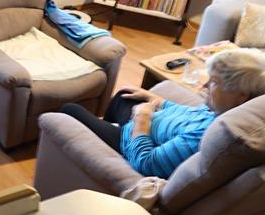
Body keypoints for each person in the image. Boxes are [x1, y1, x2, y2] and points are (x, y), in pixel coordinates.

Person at [60, 48, 265, 179]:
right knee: (125, 95)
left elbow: (146, 164)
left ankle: (108, 144)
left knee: (70, 110)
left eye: (214, 82)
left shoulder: (204, 137)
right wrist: (158, 101)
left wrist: (142, 120)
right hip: (142, 127)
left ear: (241, 96)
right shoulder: (224, 111)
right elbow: (190, 114)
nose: (204, 85)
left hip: (133, 143)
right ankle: (107, 131)